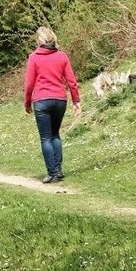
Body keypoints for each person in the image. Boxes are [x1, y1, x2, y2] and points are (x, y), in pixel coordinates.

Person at [22, 26, 80, 183]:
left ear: (38, 41)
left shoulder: (34, 57)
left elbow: (28, 85)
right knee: (55, 134)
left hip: (42, 100)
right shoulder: (62, 56)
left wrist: (27, 102)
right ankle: (59, 169)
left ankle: (52, 172)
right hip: (60, 100)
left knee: (46, 138)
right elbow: (72, 81)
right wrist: (76, 101)